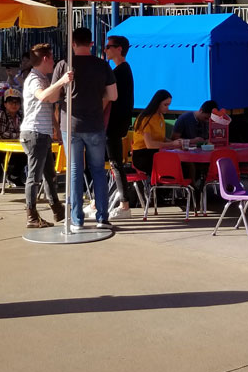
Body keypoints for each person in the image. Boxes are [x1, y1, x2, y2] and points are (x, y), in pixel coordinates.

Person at [53, 27, 117, 231]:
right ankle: (102, 217)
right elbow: (113, 96)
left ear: (73, 43)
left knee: (74, 171)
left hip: (69, 126)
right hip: (95, 124)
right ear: (91, 43)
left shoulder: (64, 65)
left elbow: (54, 97)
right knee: (98, 170)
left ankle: (77, 219)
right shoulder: (102, 65)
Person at [20, 43, 72, 228]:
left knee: (49, 174)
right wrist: (61, 82)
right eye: (51, 58)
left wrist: (55, 126)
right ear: (45, 59)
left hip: (42, 133)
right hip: (35, 132)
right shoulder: (35, 78)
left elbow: (50, 101)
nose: (53, 62)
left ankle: (57, 209)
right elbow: (43, 96)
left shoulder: (41, 77)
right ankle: (31, 215)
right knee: (34, 176)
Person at [104, 35, 134, 218]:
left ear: (119, 49)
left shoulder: (120, 71)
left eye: (109, 47)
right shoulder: (122, 70)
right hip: (116, 122)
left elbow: (109, 97)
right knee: (112, 163)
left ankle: (124, 205)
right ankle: (106, 199)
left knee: (115, 163)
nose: (106, 49)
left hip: (113, 122)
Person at [131, 89, 183, 177]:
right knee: (170, 164)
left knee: (181, 163)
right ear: (157, 103)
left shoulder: (160, 116)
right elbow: (150, 145)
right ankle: (161, 188)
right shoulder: (146, 118)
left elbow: (161, 138)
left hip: (155, 152)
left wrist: (176, 143)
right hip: (142, 155)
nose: (168, 108)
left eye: (168, 105)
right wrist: (172, 144)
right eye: (165, 105)